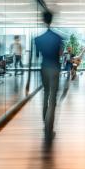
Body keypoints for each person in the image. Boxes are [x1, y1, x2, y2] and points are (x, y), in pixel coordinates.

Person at [25, 12, 63, 143]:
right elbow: (59, 55)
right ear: (51, 20)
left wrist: (28, 82)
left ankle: (45, 127)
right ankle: (49, 130)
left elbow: (35, 57)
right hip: (54, 70)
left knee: (46, 96)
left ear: (43, 21)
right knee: (53, 99)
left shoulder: (37, 39)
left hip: (44, 69)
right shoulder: (58, 38)